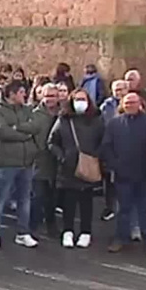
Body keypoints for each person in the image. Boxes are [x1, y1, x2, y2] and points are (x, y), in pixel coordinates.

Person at [101, 93, 146, 254]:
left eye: (133, 102)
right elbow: (106, 146)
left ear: (140, 103)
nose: (129, 105)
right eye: (126, 103)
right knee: (123, 208)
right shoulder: (114, 123)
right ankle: (120, 238)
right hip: (123, 173)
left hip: (145, 172)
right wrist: (114, 164)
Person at [48, 89, 105, 249]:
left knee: (87, 201)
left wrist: (96, 156)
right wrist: (62, 157)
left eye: (83, 99)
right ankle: (68, 232)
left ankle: (86, 232)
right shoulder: (64, 119)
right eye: (77, 99)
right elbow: (52, 142)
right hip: (69, 168)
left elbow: (104, 140)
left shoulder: (97, 119)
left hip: (89, 165)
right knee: (69, 202)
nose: (80, 102)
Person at [0, 81, 38, 250]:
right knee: (0, 198)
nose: (25, 95)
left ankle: (23, 233)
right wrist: (24, 136)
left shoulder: (28, 110)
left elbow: (35, 126)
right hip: (6, 163)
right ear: (11, 93)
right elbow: (1, 131)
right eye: (22, 92)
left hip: (26, 162)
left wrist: (18, 128)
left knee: (25, 199)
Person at [28, 84, 61, 238]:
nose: (49, 99)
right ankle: (33, 226)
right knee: (37, 196)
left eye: (53, 96)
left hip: (57, 163)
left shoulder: (63, 114)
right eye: (47, 96)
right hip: (39, 162)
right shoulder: (35, 115)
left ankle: (51, 225)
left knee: (52, 198)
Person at [98, 80, 130, 222]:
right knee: (109, 181)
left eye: (121, 89)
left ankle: (126, 208)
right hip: (110, 146)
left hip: (129, 148)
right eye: (116, 89)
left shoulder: (133, 102)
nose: (119, 92)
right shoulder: (106, 106)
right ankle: (109, 207)